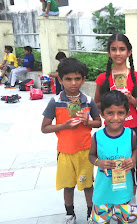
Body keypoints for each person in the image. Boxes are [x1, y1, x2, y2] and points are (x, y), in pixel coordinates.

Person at [41, 58, 102, 224]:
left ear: (83, 79)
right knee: (68, 186)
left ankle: (91, 213)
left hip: (85, 152)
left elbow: (99, 122)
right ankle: (70, 214)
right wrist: (64, 125)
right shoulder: (55, 101)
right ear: (60, 79)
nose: (73, 83)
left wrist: (87, 122)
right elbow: (44, 128)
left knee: (88, 185)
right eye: (68, 79)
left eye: (77, 78)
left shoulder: (88, 101)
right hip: (65, 152)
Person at [94, 33, 137, 222]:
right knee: (110, 163)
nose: (118, 53)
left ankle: (127, 204)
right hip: (110, 131)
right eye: (114, 49)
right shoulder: (102, 78)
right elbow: (97, 103)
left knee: (131, 165)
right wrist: (108, 111)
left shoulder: (136, 77)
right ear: (108, 53)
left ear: (129, 52)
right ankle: (110, 202)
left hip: (131, 128)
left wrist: (132, 99)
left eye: (122, 49)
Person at [89, 90, 137, 224]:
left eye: (120, 113)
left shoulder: (130, 134)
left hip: (124, 192)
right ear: (102, 113)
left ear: (127, 114)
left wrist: (133, 159)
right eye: (110, 113)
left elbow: (135, 150)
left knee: (124, 220)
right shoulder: (97, 137)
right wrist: (99, 162)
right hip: (103, 192)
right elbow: (91, 156)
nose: (115, 118)